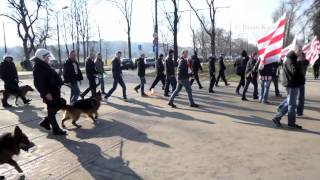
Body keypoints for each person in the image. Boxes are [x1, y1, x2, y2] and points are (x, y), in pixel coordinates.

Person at [32, 48, 67, 135]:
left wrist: (61, 82)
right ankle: (56, 129)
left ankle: (46, 122)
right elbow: (38, 83)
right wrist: (46, 93)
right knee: (52, 111)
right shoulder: (38, 68)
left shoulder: (45, 65)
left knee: (61, 103)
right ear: (42, 57)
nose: (48, 59)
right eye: (47, 57)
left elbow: (53, 76)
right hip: (49, 94)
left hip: (54, 92)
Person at [272, 45, 304, 129]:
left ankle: (283, 114)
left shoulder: (292, 59)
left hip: (293, 84)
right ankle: (279, 118)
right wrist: (300, 62)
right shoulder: (291, 59)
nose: (301, 53)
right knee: (292, 105)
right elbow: (294, 72)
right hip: (292, 84)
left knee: (290, 102)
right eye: (300, 51)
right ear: (296, 51)